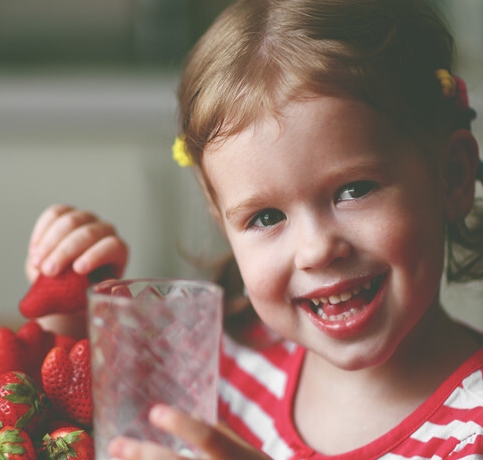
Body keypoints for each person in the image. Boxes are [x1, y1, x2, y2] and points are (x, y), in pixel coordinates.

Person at [24, 0, 483, 458]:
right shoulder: (223, 361)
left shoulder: (471, 431)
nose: (315, 250)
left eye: (354, 190)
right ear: (223, 225)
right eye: (265, 217)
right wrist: (67, 320)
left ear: (452, 177)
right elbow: (98, 427)